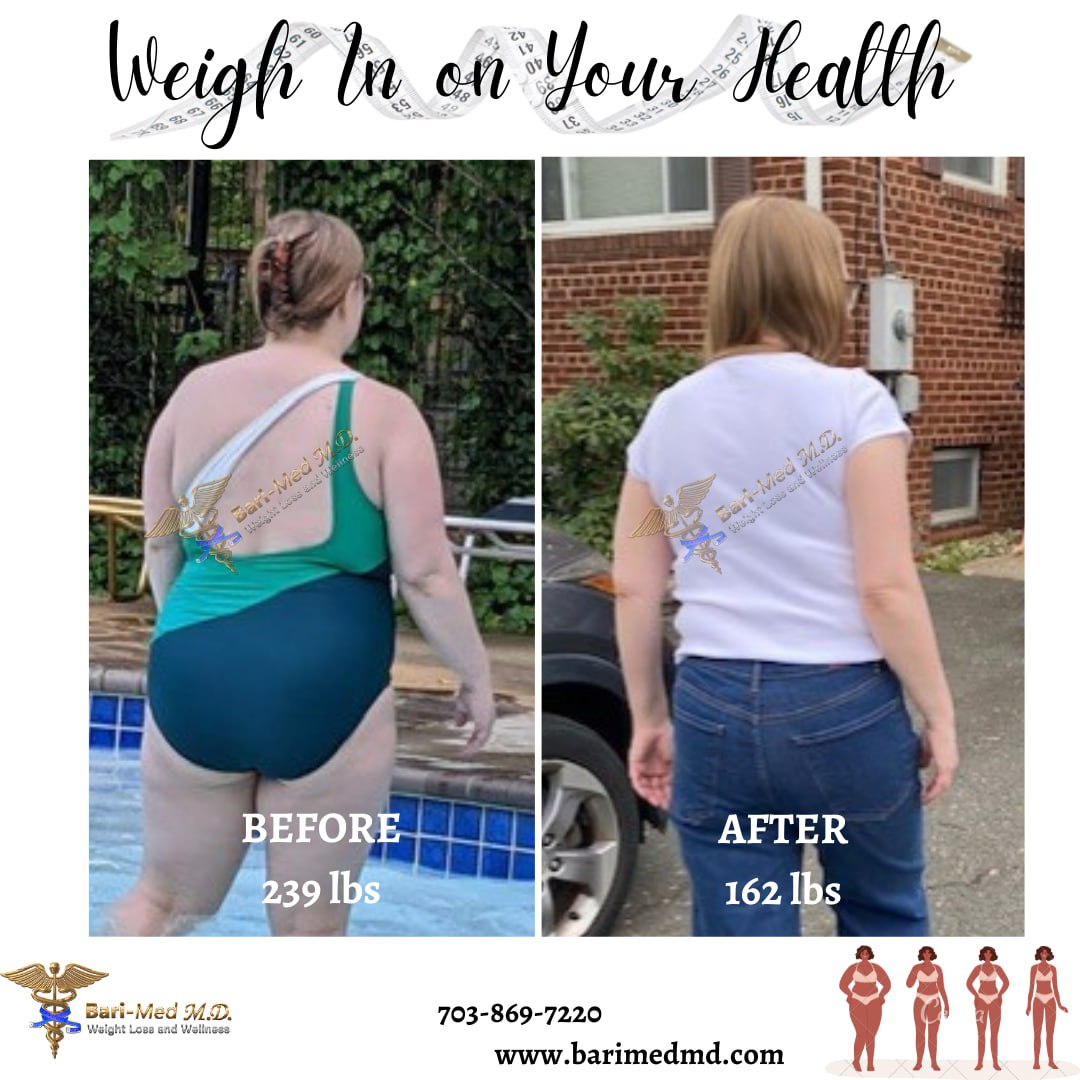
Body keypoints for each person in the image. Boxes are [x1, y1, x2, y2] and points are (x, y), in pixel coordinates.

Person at [112, 209, 495, 936]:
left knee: (160, 903)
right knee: (306, 927)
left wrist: (188, 641)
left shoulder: (193, 394)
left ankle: (89, 1030)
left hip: (194, 666)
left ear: (264, 294)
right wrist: (473, 676)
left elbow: (161, 544)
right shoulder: (382, 413)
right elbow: (426, 575)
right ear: (352, 294)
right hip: (325, 683)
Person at [613, 195, 959, 936]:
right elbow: (886, 586)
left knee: (744, 934)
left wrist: (649, 716)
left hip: (711, 705)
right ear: (818, 285)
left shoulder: (668, 413)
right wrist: (938, 710)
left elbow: (636, 585)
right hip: (844, 709)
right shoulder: (854, 404)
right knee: (881, 918)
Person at [840, 945, 890, 1073]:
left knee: (871, 1035)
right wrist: (850, 994)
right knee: (861, 1033)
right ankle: (856, 1061)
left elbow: (887, 984)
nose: (865, 955)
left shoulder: (876, 968)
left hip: (873, 1001)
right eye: (862, 953)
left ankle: (870, 1063)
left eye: (867, 953)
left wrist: (881, 995)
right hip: (857, 1001)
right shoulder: (853, 968)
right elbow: (843, 984)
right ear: (859, 954)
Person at [905, 945, 949, 1071]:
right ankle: (919, 1062)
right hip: (920, 1001)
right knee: (920, 1033)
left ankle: (934, 1062)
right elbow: (909, 984)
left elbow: (941, 987)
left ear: (932, 954)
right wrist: (913, 974)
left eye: (929, 953)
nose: (927, 955)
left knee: (933, 1034)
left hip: (935, 1001)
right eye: (925, 953)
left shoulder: (938, 968)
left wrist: (946, 1004)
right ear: (921, 954)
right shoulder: (916, 968)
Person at [965, 945, 1008, 1071]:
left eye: (990, 953)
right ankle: (980, 1062)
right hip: (982, 1000)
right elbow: (968, 983)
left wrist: (999, 995)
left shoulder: (997, 968)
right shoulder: (978, 968)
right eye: (986, 953)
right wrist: (976, 995)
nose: (988, 955)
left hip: (994, 999)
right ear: (983, 955)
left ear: (992, 954)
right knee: (981, 1034)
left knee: (994, 1034)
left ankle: (995, 1062)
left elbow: (1006, 982)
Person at [1026, 946, 1067, 1070]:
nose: (1044, 955)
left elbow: (1055, 987)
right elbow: (1031, 987)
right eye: (1042, 953)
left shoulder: (1052, 968)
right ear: (1039, 954)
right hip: (1038, 999)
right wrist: (1028, 1005)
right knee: (1037, 1033)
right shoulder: (1034, 968)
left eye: (1046, 953)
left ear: (1048, 954)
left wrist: (1059, 1004)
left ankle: (1050, 1060)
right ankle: (1036, 1061)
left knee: (1050, 1033)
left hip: (1050, 999)